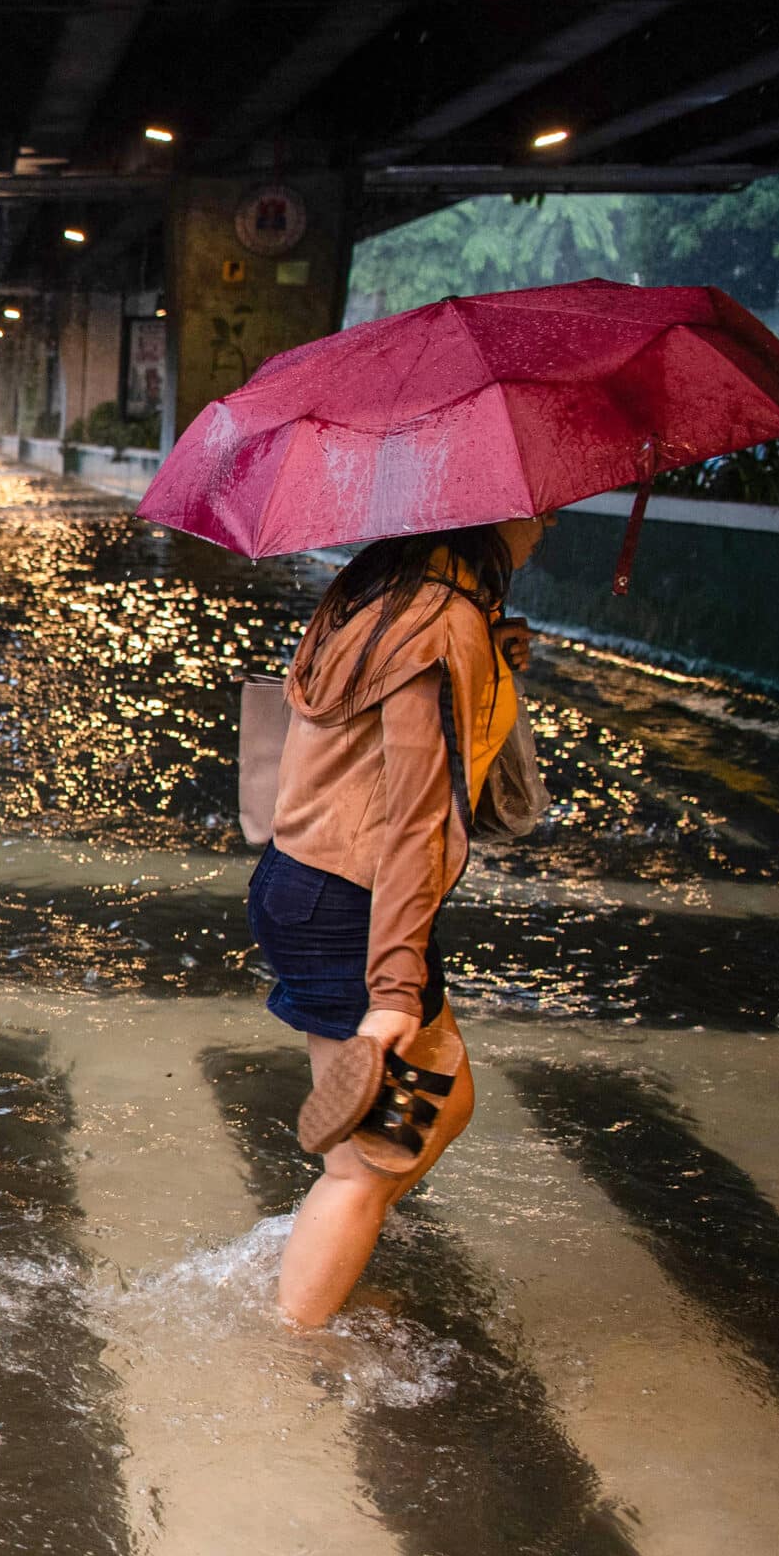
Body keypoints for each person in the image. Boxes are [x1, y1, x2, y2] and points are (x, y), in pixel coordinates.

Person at [249, 513, 546, 1326]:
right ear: (486, 510)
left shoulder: (377, 583)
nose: (547, 521)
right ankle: (296, 1336)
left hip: (300, 878)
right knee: (366, 1167)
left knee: (446, 1102)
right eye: (540, 510)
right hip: (356, 906)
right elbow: (416, 821)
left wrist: (489, 659)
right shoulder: (442, 624)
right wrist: (393, 990)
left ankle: (320, 1257)